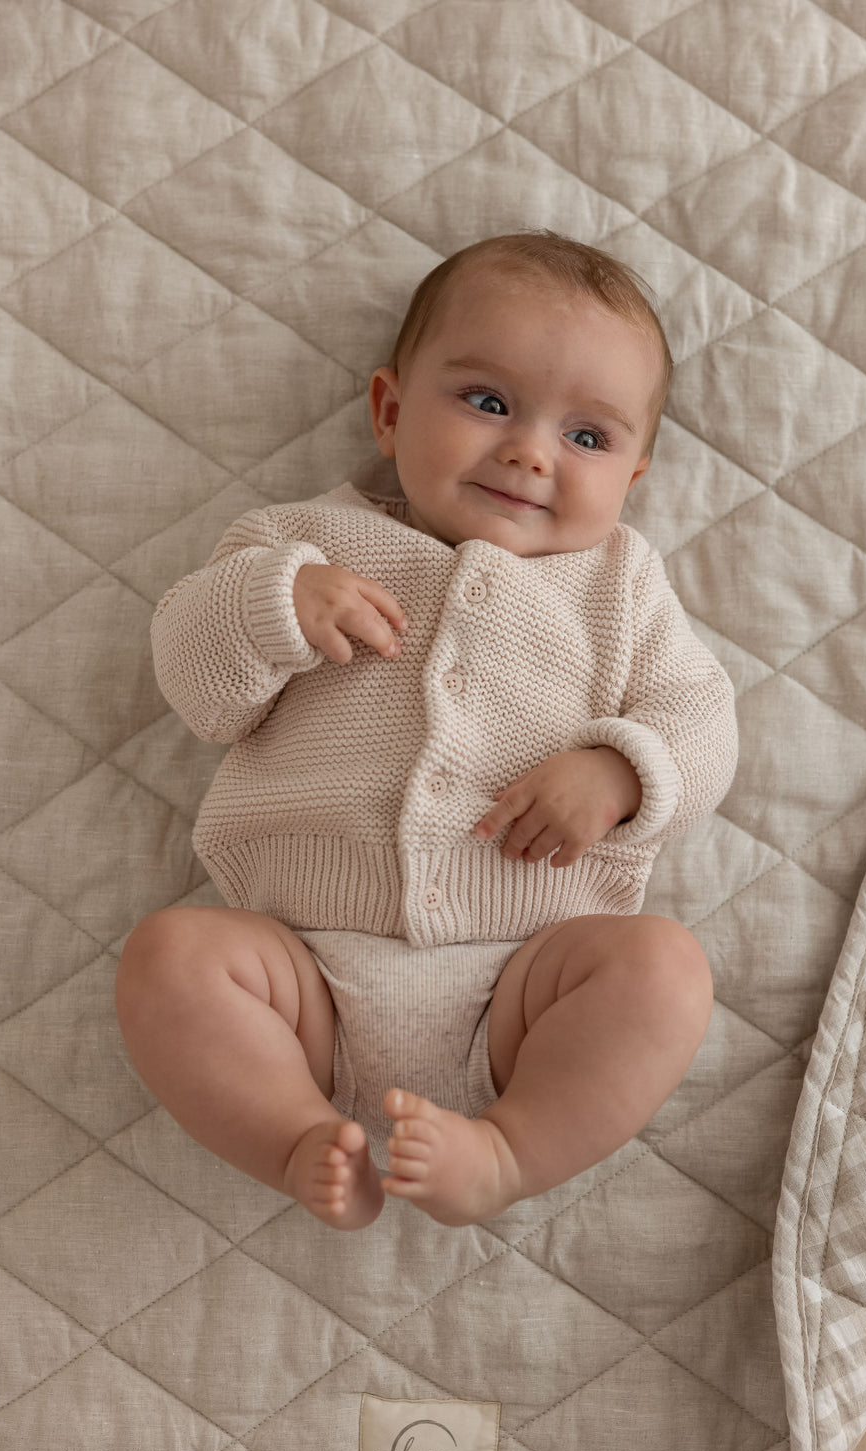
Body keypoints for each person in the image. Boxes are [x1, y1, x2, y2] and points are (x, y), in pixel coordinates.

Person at [115, 231, 738, 1232]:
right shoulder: (298, 544)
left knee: (661, 968)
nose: (531, 451)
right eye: (486, 402)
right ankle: (297, 1135)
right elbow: (196, 682)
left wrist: (621, 770)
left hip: (524, 983)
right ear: (390, 410)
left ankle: (505, 1150)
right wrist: (278, 606)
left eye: (588, 437)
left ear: (634, 476)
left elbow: (701, 717)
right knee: (170, 956)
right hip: (299, 970)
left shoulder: (619, 585)